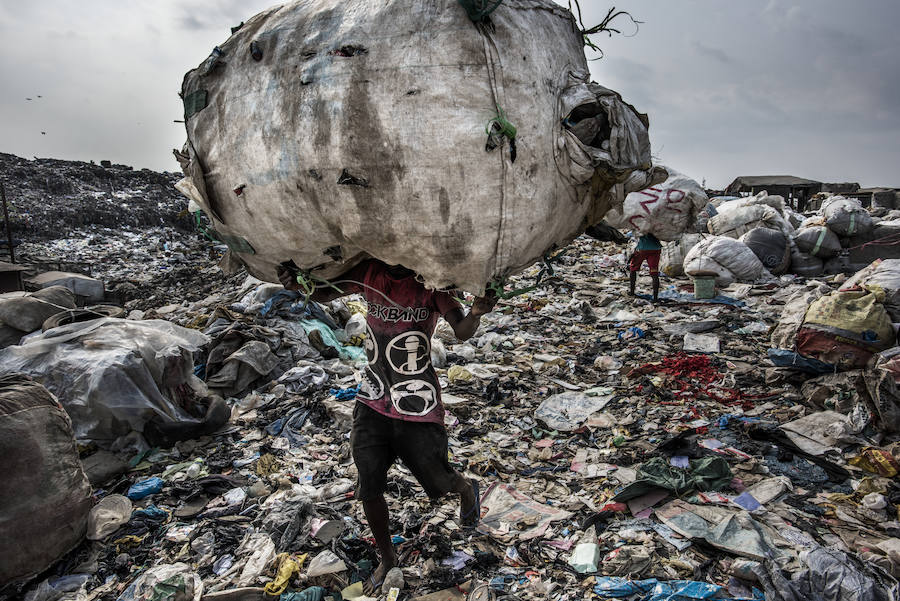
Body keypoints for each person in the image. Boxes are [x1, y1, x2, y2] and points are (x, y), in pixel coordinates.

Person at [277, 259, 497, 594]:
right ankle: (388, 557)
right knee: (369, 482)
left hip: (417, 400)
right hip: (374, 396)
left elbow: (462, 330)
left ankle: (465, 488)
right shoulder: (370, 271)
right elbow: (326, 292)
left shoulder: (432, 282)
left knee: (438, 478)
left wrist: (477, 313)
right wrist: (298, 284)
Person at [628, 233, 661, 301]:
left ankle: (632, 292)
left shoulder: (642, 227)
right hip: (655, 249)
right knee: (654, 273)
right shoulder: (657, 227)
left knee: (633, 269)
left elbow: (632, 234)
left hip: (641, 249)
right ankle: (655, 298)